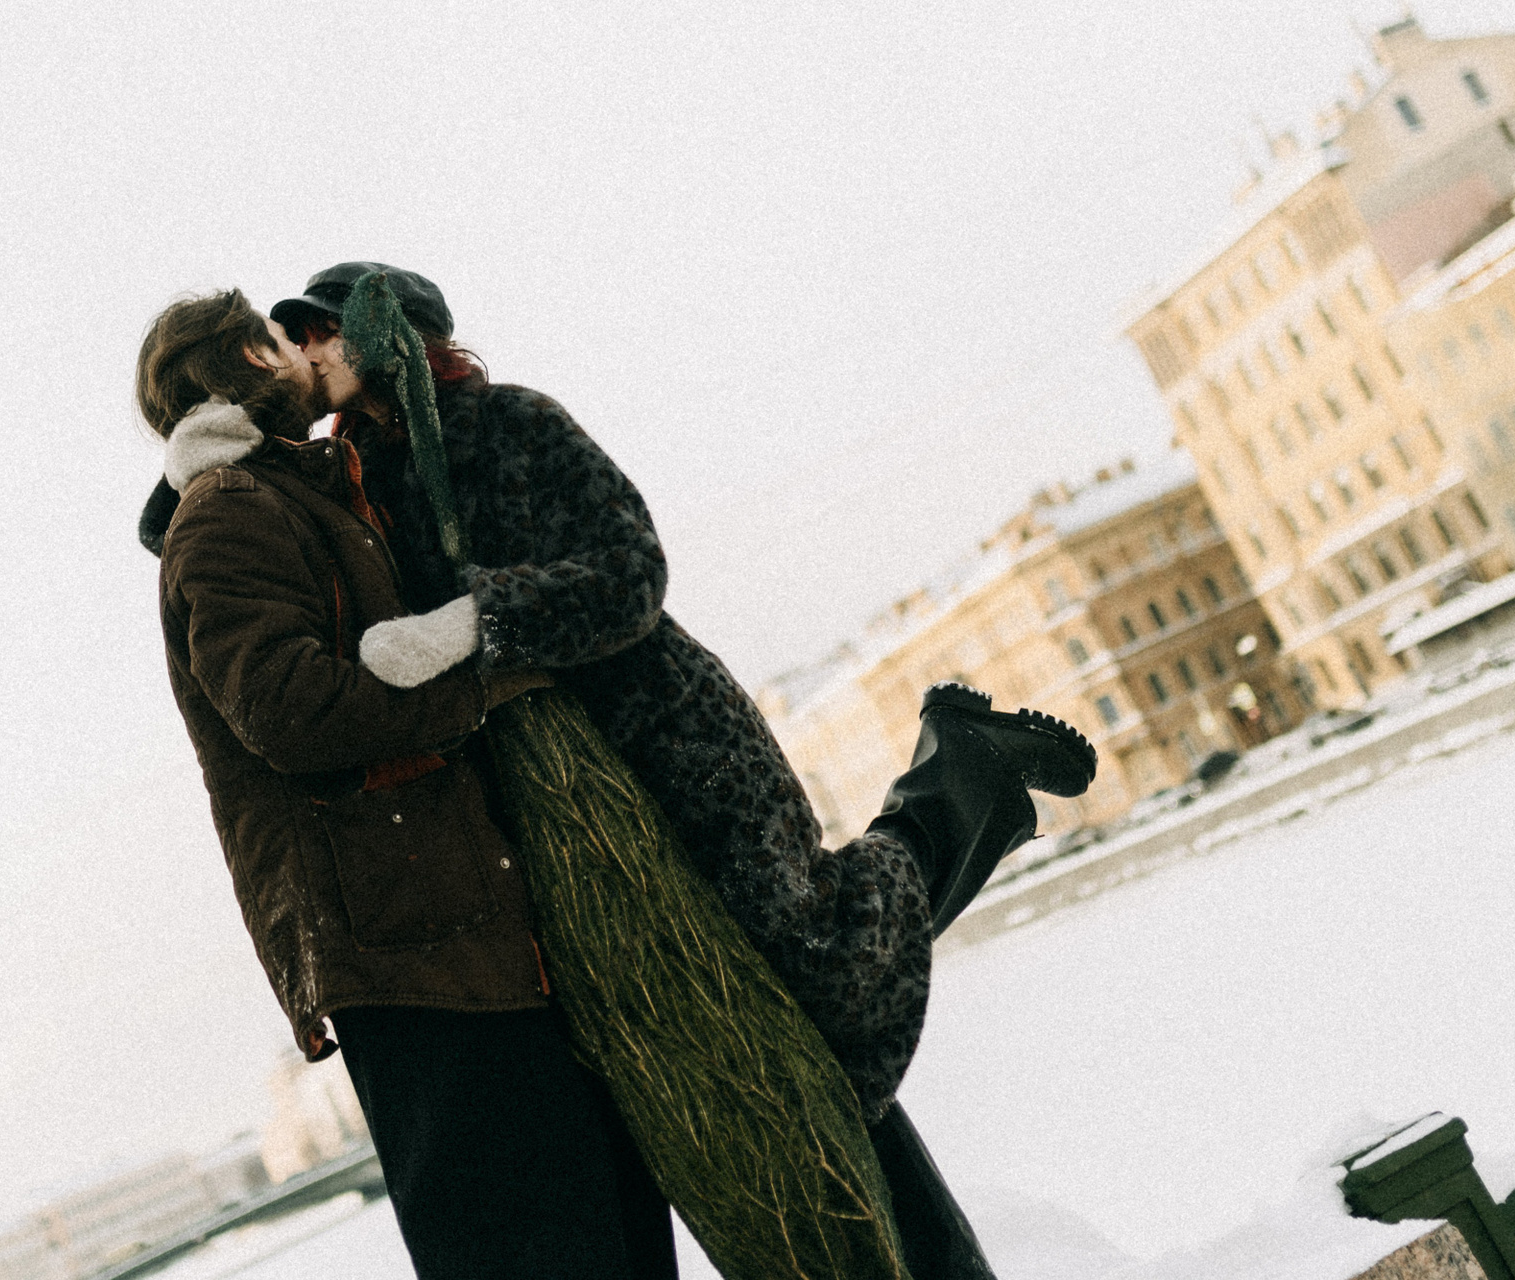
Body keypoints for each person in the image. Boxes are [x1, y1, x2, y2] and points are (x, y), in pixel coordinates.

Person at [259, 262, 1094, 1276]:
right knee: (761, 1029)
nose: (307, 349)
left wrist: (486, 618)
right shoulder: (352, 481)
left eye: (324, 329)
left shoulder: (514, 419)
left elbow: (632, 570)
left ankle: (957, 778)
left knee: (814, 965)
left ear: (394, 333)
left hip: (672, 737)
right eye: (294, 336)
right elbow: (191, 510)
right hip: (568, 798)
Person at [138, 290, 681, 1279]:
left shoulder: (286, 490)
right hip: (409, 953)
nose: (305, 352)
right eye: (280, 338)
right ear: (248, 364)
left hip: (450, 931)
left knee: (603, 1230)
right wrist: (476, 687)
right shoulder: (226, 513)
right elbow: (290, 709)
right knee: (537, 1248)